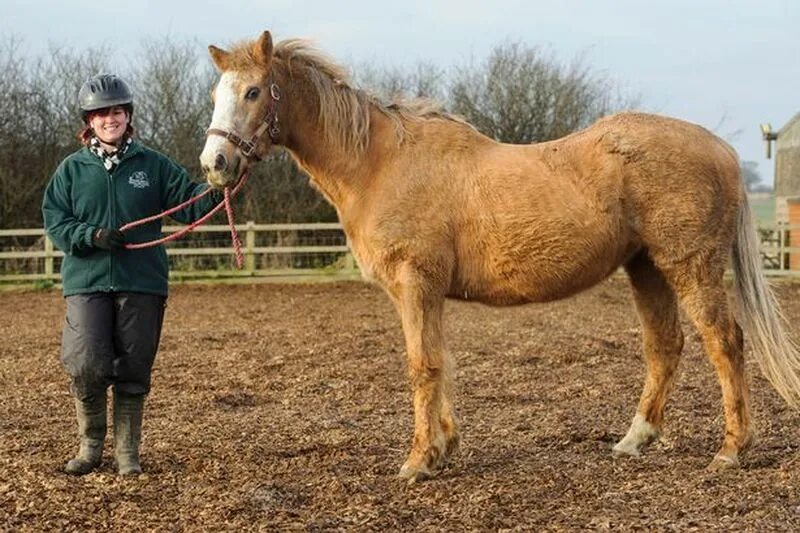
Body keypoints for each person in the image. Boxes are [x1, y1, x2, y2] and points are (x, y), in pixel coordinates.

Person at [42, 73, 221, 476]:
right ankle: (90, 447)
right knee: (86, 362)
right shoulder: (71, 170)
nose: (111, 119)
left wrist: (220, 184)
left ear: (128, 116)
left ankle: (127, 454)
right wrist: (91, 236)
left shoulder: (151, 164)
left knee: (134, 366)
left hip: (142, 281)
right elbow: (55, 219)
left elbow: (190, 201)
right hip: (87, 281)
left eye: (118, 111)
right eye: (102, 113)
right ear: (90, 120)